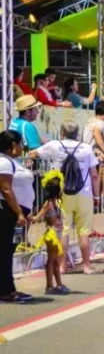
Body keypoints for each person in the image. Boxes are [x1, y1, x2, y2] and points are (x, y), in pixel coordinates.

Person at [28, 123, 101, 275]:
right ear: (77, 134)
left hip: (62, 194)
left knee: (64, 231)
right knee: (84, 232)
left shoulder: (55, 145)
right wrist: (96, 195)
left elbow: (33, 154)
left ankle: (62, 266)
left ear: (62, 133)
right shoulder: (86, 148)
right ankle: (87, 266)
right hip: (84, 193)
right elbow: (94, 174)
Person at [0, 130, 34, 303]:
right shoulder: (4, 162)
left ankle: (9, 288)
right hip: (8, 212)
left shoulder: (11, 161)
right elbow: (6, 189)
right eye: (20, 144)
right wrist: (19, 212)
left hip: (14, 212)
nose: (22, 147)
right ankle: (5, 291)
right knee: (5, 251)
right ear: (13, 145)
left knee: (7, 251)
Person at [31, 171, 70, 295]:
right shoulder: (47, 204)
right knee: (51, 260)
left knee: (57, 260)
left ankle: (58, 283)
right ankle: (49, 286)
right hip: (51, 234)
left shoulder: (57, 202)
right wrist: (28, 216)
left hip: (58, 233)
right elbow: (37, 218)